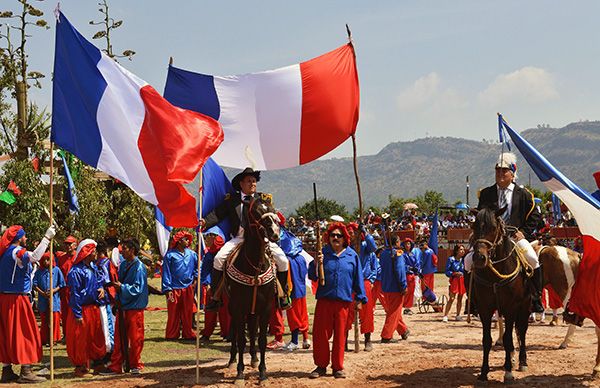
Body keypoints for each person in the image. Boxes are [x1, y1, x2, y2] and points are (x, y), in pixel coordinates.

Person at [202, 167, 290, 311]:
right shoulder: (232, 200)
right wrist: (205, 221)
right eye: (249, 181)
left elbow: (272, 217)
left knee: (283, 260)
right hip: (239, 238)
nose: (252, 184)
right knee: (218, 259)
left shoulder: (263, 201)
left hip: (261, 240)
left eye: (254, 181)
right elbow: (217, 214)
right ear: (241, 184)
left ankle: (282, 296)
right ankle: (215, 297)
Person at [465, 152, 544, 313]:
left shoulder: (524, 194)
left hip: (514, 237)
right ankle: (472, 299)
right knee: (467, 261)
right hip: (491, 238)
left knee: (532, 259)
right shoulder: (486, 193)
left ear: (512, 173)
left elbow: (536, 216)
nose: (500, 174)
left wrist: (524, 233)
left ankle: (536, 298)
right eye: (497, 170)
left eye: (504, 171)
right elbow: (482, 216)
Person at [308, 222, 367, 379]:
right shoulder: (322, 253)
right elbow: (313, 276)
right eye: (333, 235)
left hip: (344, 302)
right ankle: (321, 366)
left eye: (339, 235)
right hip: (324, 301)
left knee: (340, 336)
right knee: (320, 335)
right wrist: (316, 262)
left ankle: (337, 367)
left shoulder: (352, 256)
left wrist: (360, 298)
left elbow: (358, 279)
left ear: (344, 238)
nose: (335, 237)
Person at [0, 224, 55, 383]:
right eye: (24, 236)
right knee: (26, 333)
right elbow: (34, 257)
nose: (26, 238)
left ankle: (7, 370)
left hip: (5, 298)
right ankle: (26, 370)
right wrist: (46, 238)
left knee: (7, 334)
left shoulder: (4, 253)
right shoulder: (16, 252)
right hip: (17, 298)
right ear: (19, 238)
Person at [105, 238, 149, 375]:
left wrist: (122, 287)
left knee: (135, 338)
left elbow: (137, 289)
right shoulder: (123, 265)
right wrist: (117, 300)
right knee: (119, 338)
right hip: (123, 307)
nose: (121, 251)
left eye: (124, 248)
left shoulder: (139, 267)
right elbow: (119, 284)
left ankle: (136, 364)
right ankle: (117, 365)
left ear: (132, 249)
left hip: (135, 308)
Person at [66, 239, 107, 377]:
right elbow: (75, 294)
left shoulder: (94, 268)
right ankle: (81, 367)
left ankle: (98, 364)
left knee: (95, 337)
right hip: (82, 309)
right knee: (81, 339)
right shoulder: (76, 271)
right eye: (93, 251)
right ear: (87, 252)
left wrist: (102, 288)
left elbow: (100, 281)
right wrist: (77, 314)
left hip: (93, 308)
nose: (96, 254)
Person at [346, 222, 378, 351]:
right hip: (349, 282)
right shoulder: (346, 248)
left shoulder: (365, 246)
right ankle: (344, 341)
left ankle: (368, 340)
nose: (350, 234)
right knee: (347, 311)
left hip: (364, 280)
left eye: (352, 231)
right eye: (348, 232)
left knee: (366, 312)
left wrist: (366, 233)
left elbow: (373, 247)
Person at [161, 230, 198, 340]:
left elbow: (198, 267)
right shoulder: (169, 255)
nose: (187, 241)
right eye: (185, 239)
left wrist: (195, 280)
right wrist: (167, 288)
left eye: (188, 239)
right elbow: (166, 272)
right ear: (179, 241)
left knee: (188, 312)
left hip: (188, 287)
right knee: (173, 312)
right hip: (174, 288)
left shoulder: (192, 254)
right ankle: (172, 334)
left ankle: (188, 333)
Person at [280, 227, 311, 351]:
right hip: (301, 290)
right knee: (303, 315)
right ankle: (305, 339)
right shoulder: (301, 258)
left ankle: (294, 341)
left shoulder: (286, 260)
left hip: (292, 292)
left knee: (293, 317)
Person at [200, 227, 230, 342]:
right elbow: (206, 270)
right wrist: (207, 283)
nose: (207, 239)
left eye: (209, 236)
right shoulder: (209, 254)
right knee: (210, 311)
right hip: (213, 284)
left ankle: (227, 332)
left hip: (226, 284)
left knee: (226, 310)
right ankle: (207, 333)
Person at [379, 235, 409, 342]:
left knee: (393, 310)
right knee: (394, 311)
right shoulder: (398, 253)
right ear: (396, 242)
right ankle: (386, 335)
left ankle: (403, 330)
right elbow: (400, 270)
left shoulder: (383, 254)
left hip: (385, 286)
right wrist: (403, 285)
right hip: (395, 286)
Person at [33, 252, 65, 346]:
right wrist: (42, 293)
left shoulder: (56, 270)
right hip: (43, 299)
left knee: (54, 319)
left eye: (48, 259)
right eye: (44, 260)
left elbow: (61, 284)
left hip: (54, 299)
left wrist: (53, 290)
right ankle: (45, 338)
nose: (46, 262)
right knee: (44, 319)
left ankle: (54, 339)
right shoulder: (39, 272)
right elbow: (34, 284)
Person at [56, 235, 77, 341]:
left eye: (70, 244)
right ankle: (66, 334)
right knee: (64, 312)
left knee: (75, 312)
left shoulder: (78, 258)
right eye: (66, 244)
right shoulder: (61, 258)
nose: (67, 246)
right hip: (64, 289)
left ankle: (75, 333)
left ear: (75, 245)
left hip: (76, 289)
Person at [442, 244, 466, 322]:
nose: (463, 251)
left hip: (462, 280)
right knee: (451, 298)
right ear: (456, 251)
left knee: (460, 298)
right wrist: (454, 273)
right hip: (454, 281)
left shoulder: (464, 260)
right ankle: (445, 315)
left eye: (463, 249)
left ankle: (458, 315)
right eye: (461, 249)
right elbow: (447, 271)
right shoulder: (451, 259)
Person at [401, 238, 420, 315]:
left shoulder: (412, 254)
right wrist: (409, 268)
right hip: (405, 274)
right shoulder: (401, 253)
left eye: (409, 244)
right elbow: (400, 264)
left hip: (412, 275)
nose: (407, 245)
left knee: (411, 291)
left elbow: (416, 263)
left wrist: (417, 270)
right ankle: (404, 306)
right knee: (406, 291)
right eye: (406, 244)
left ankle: (408, 307)